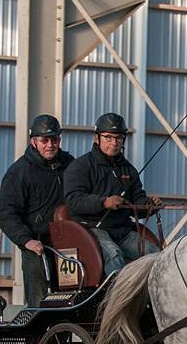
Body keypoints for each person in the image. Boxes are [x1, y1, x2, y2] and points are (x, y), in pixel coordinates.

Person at [63, 112, 161, 276]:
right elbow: (74, 200)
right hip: (91, 228)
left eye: (118, 138)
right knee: (114, 255)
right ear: (96, 138)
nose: (114, 142)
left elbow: (137, 202)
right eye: (108, 137)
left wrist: (149, 205)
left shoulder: (129, 170)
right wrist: (104, 202)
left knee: (156, 254)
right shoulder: (80, 166)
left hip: (122, 230)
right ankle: (117, 299)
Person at [0, 114, 74, 306]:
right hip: (37, 246)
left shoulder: (70, 165)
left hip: (67, 245)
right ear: (34, 141)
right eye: (44, 140)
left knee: (71, 298)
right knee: (40, 302)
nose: (50, 145)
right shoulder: (19, 172)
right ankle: (39, 335)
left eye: (54, 139)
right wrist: (26, 241)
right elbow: (7, 214)